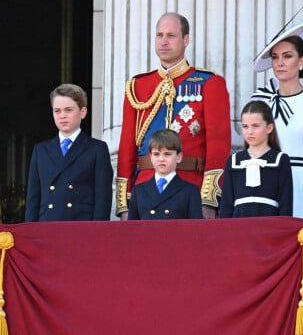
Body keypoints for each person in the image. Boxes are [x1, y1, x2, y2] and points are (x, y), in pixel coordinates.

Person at [116, 12, 231, 220]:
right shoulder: (137, 86)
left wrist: (209, 199)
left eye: (171, 35)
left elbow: (218, 146)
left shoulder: (209, 83)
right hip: (145, 191)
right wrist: (125, 203)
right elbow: (126, 148)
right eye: (159, 35)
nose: (163, 42)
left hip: (190, 191)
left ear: (186, 40)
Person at [252, 19, 303, 218]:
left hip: (302, 186)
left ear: (301, 61)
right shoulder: (262, 99)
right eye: (275, 57)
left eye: (287, 56)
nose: (280, 63)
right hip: (265, 183)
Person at [25, 84, 113, 221]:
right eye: (57, 111)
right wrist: (29, 233)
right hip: (46, 226)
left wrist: (98, 233)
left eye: (68, 110)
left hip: (81, 227)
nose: (62, 116)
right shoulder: (40, 150)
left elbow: (103, 198)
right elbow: (33, 198)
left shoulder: (97, 149)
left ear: (83, 112)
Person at [219, 101, 293, 218]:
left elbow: (286, 205)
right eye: (245, 126)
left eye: (255, 126)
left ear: (269, 128)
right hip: (239, 227)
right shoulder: (233, 161)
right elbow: (226, 206)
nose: (249, 132)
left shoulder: (280, 160)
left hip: (270, 227)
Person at [128, 129, 202, 220]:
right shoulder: (138, 191)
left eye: (167, 154)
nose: (161, 159)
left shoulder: (190, 191)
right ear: (150, 157)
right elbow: (132, 229)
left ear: (179, 157)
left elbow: (195, 230)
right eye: (156, 154)